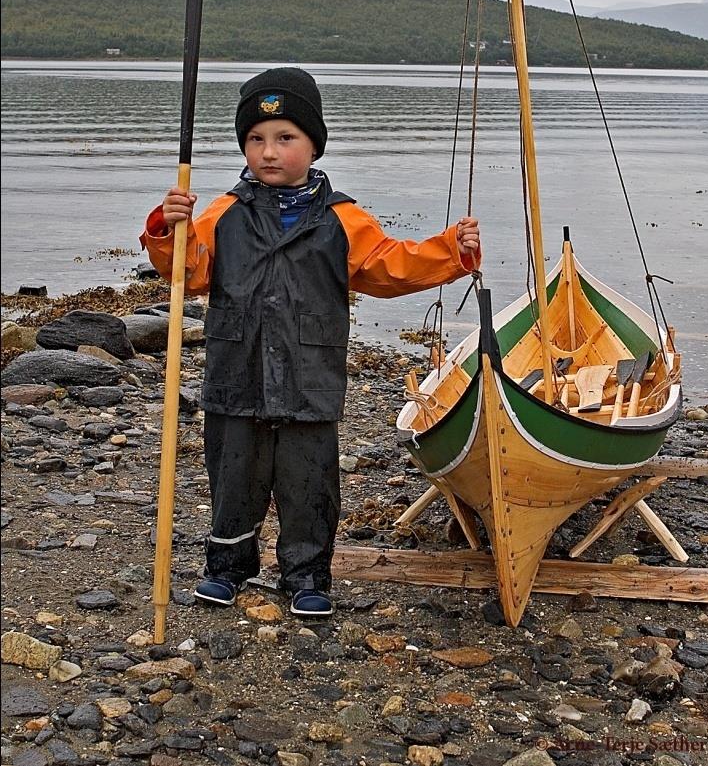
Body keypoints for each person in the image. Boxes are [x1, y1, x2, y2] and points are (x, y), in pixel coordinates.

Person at [141, 67, 480, 618]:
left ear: (313, 145)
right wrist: (165, 228)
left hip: (310, 378)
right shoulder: (223, 213)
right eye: (255, 139)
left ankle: (306, 576)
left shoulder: (342, 219)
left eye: (285, 138)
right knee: (233, 479)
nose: (268, 152)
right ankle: (227, 568)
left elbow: (391, 266)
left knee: (309, 485)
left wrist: (452, 251)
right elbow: (189, 269)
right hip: (236, 373)